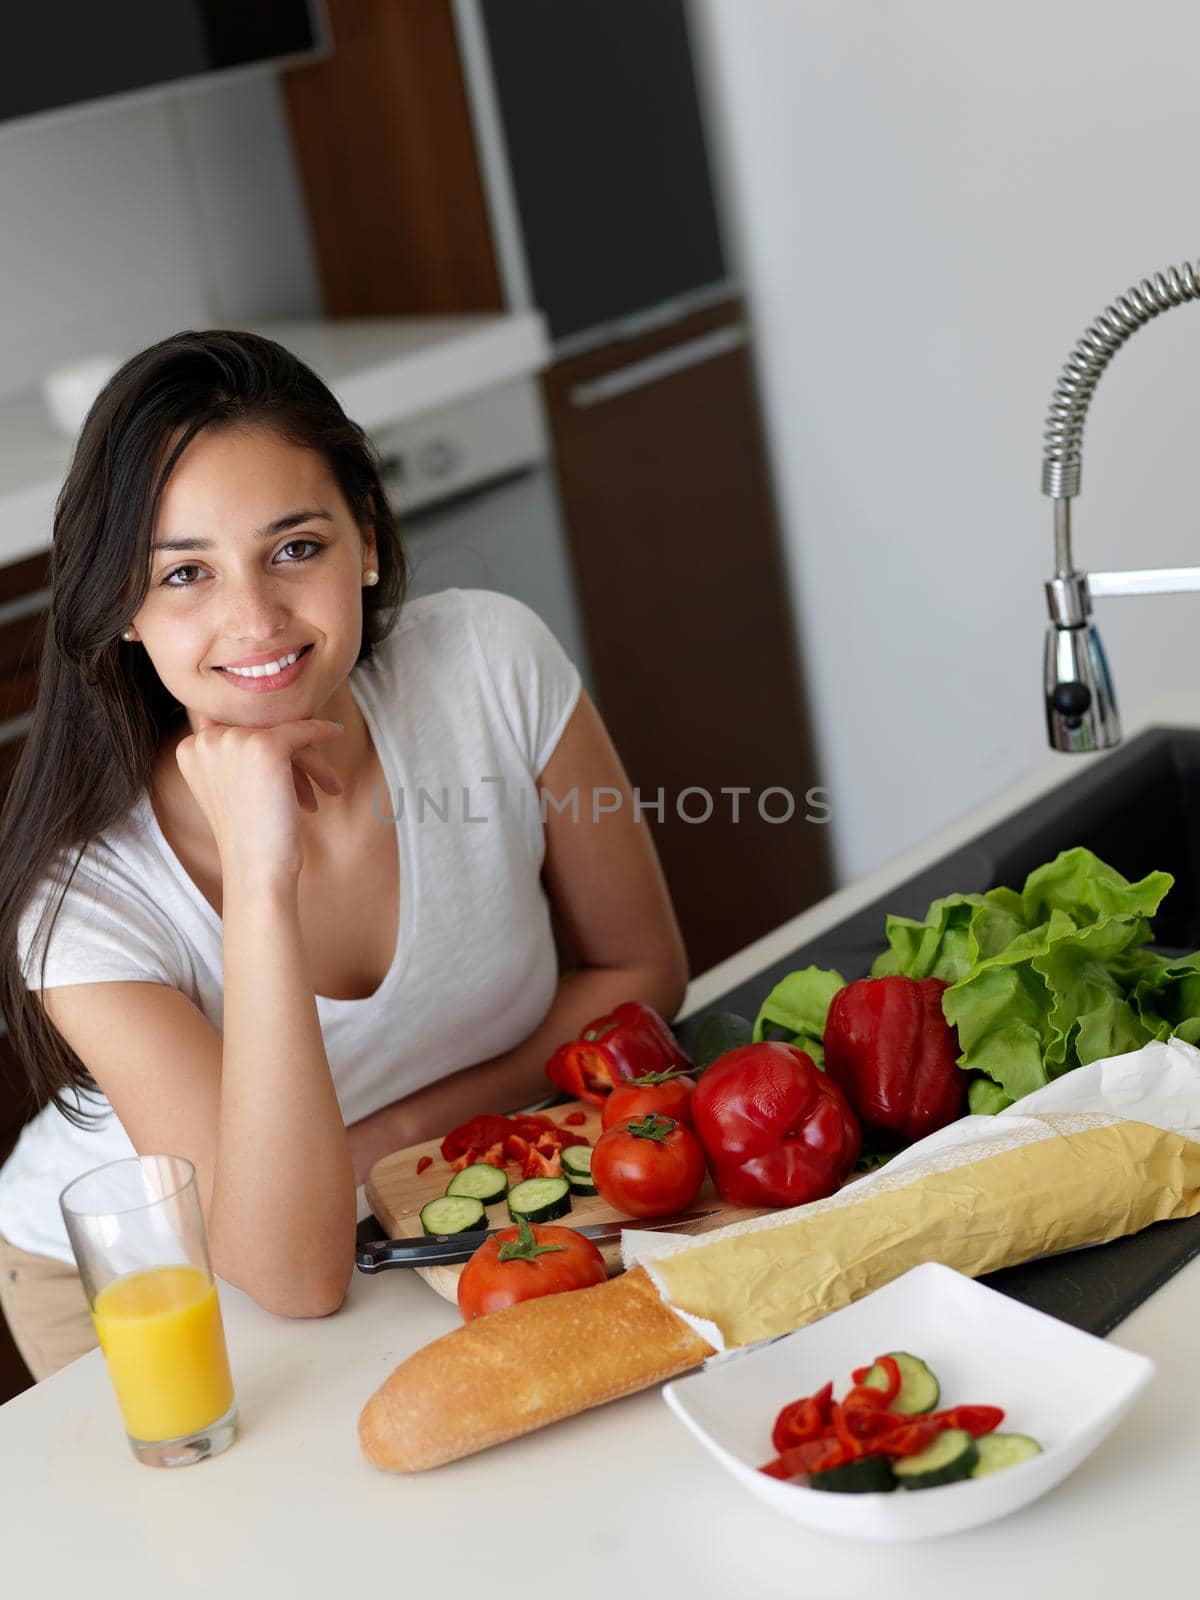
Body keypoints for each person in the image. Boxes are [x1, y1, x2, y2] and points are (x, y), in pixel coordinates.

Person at [0, 330, 688, 1381]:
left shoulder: (488, 665)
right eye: (184, 573)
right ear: (125, 611)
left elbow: (645, 975)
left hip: (433, 1201)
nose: (254, 617)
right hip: (142, 1283)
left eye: (295, 548)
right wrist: (261, 880)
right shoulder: (87, 905)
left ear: (365, 539)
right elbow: (288, 1269)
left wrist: (400, 1137)